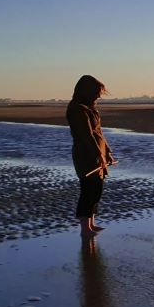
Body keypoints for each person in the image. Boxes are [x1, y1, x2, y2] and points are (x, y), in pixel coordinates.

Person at [67, 75, 116, 236]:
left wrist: (107, 152)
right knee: (88, 189)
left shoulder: (91, 109)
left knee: (97, 189)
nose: (99, 95)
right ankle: (85, 228)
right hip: (85, 154)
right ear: (86, 91)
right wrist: (98, 154)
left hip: (98, 152)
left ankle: (92, 223)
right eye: (96, 92)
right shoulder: (77, 109)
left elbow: (99, 133)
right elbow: (87, 135)